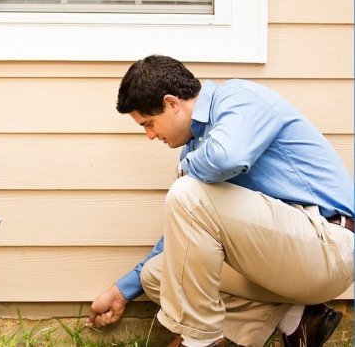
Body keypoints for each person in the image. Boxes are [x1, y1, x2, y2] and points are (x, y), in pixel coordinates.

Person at [87, 55, 353, 347]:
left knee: (187, 193)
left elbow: (229, 156)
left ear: (172, 103)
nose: (150, 135)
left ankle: (202, 340)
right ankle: (295, 317)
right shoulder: (196, 151)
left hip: (328, 246)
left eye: (149, 124)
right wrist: (122, 291)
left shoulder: (238, 100)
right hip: (284, 260)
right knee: (158, 274)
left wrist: (185, 172)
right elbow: (184, 237)